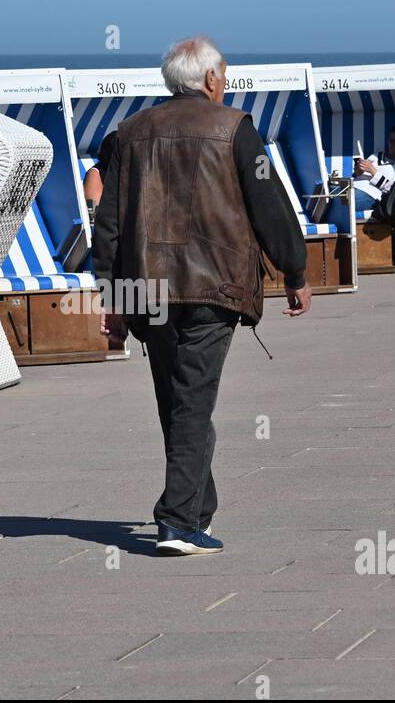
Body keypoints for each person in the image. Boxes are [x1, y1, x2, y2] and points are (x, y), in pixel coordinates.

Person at [91, 35, 311, 556]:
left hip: (147, 289)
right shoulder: (235, 129)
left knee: (179, 400)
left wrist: (112, 296)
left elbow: (109, 224)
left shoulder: (129, 134)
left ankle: (195, 508)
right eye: (225, 75)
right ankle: (177, 520)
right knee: (190, 401)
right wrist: (296, 272)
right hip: (216, 286)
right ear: (211, 79)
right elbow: (270, 204)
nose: (226, 83)